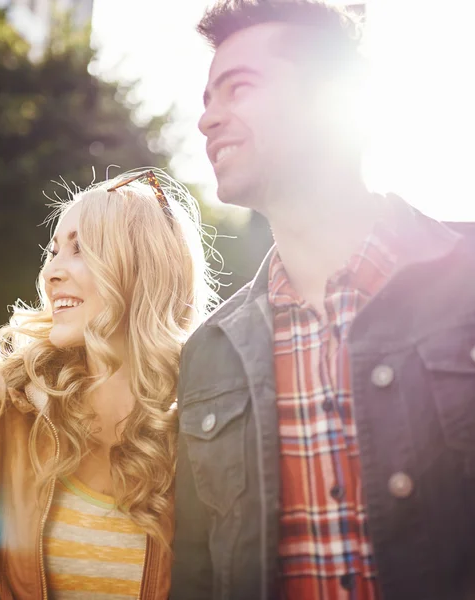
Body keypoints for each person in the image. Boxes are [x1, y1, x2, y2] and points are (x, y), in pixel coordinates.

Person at [171, 2, 475, 600]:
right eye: (207, 99)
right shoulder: (209, 352)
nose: (207, 120)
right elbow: (198, 573)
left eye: (239, 88)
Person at [0, 170, 215, 600]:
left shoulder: (209, 425)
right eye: (54, 250)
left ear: (144, 267)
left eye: (81, 250)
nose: (52, 272)